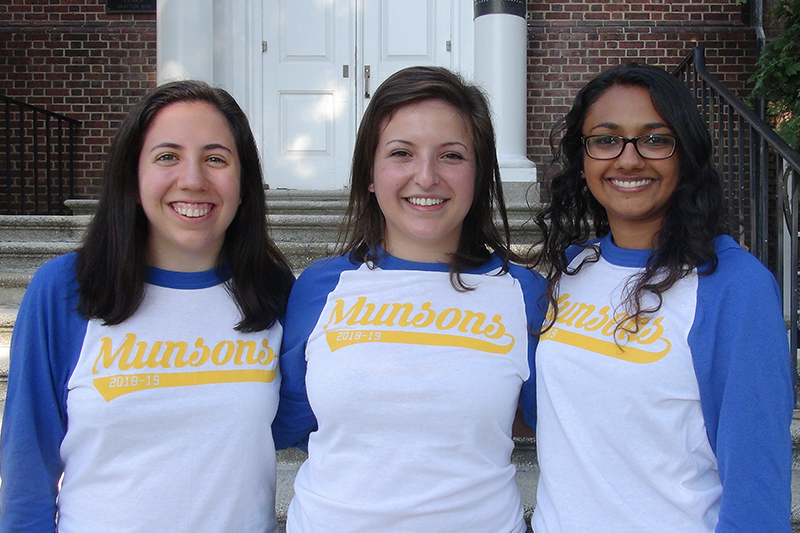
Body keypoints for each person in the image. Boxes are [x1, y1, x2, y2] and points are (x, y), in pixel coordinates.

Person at [0, 80, 294, 532]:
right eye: (167, 157)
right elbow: (28, 464)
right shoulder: (65, 289)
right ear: (133, 178)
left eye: (216, 159)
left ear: (244, 183)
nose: (194, 180)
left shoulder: (272, 292)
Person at [272, 66, 547, 532]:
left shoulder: (523, 293)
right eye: (401, 153)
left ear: (478, 175)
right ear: (371, 174)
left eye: (452, 156)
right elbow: (291, 421)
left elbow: (556, 424)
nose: (426, 176)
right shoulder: (320, 287)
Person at [528, 63, 793, 532]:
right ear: (583, 157)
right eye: (606, 140)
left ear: (685, 153)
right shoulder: (572, 269)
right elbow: (548, 414)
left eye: (655, 139)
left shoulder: (733, 286)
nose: (628, 160)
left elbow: (757, 480)